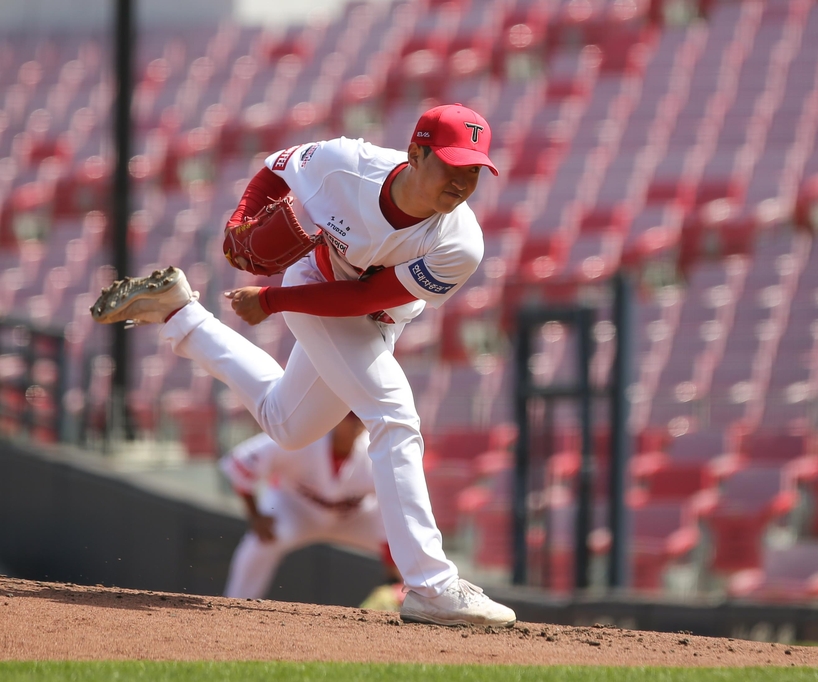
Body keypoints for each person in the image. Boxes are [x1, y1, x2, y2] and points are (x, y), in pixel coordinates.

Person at [90, 104, 516, 627]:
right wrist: (239, 225)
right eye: (453, 164)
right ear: (415, 154)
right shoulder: (345, 165)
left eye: (474, 169)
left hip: (368, 312)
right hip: (314, 282)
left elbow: (367, 298)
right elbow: (275, 167)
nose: (463, 180)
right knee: (393, 413)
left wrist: (271, 303)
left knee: (286, 425)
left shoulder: (460, 242)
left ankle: (180, 314)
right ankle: (431, 585)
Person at [221, 412, 403, 610]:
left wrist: (393, 571)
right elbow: (240, 464)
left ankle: (410, 598)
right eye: (349, 417)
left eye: (359, 418)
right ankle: (234, 607)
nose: (355, 423)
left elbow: (391, 510)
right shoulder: (301, 438)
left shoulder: (374, 454)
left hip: (353, 519)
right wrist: (255, 515)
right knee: (260, 543)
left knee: (405, 543)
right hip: (293, 510)